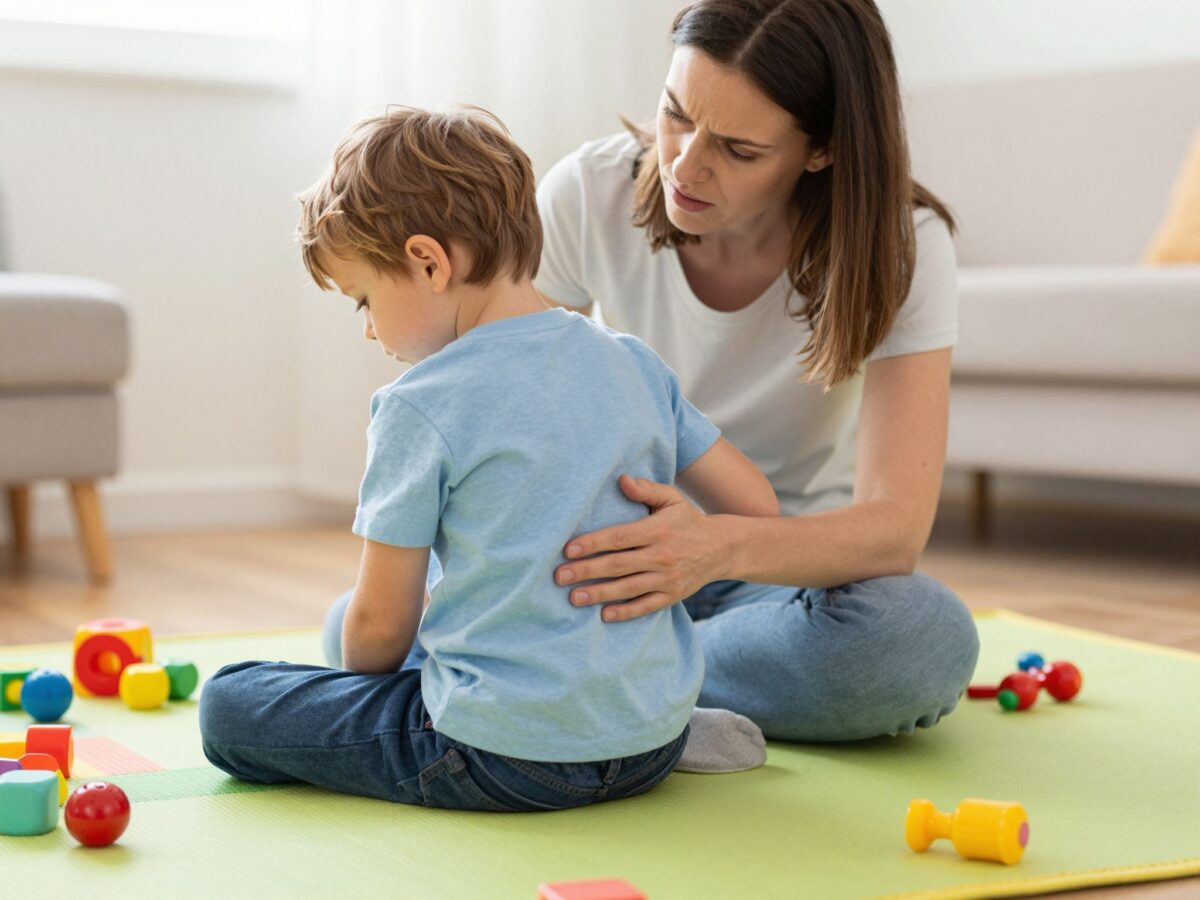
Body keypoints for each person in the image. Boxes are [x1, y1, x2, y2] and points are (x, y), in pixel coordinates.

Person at [199, 105, 779, 812]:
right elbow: (756, 508)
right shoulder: (631, 360)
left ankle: (550, 724)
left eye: (363, 301)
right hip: (646, 741)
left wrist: (368, 689)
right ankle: (653, 723)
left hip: (500, 757)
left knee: (230, 702)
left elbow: (381, 632)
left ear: (427, 262)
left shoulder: (420, 404)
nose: (371, 330)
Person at [533, 0, 980, 742]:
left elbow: (894, 528)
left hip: (775, 586)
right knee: (368, 620)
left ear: (823, 150)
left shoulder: (904, 246)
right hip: (613, 560)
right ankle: (649, 687)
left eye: (739, 150)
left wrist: (714, 548)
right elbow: (503, 402)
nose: (684, 163)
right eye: (676, 113)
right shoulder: (590, 190)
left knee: (918, 640)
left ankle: (594, 677)